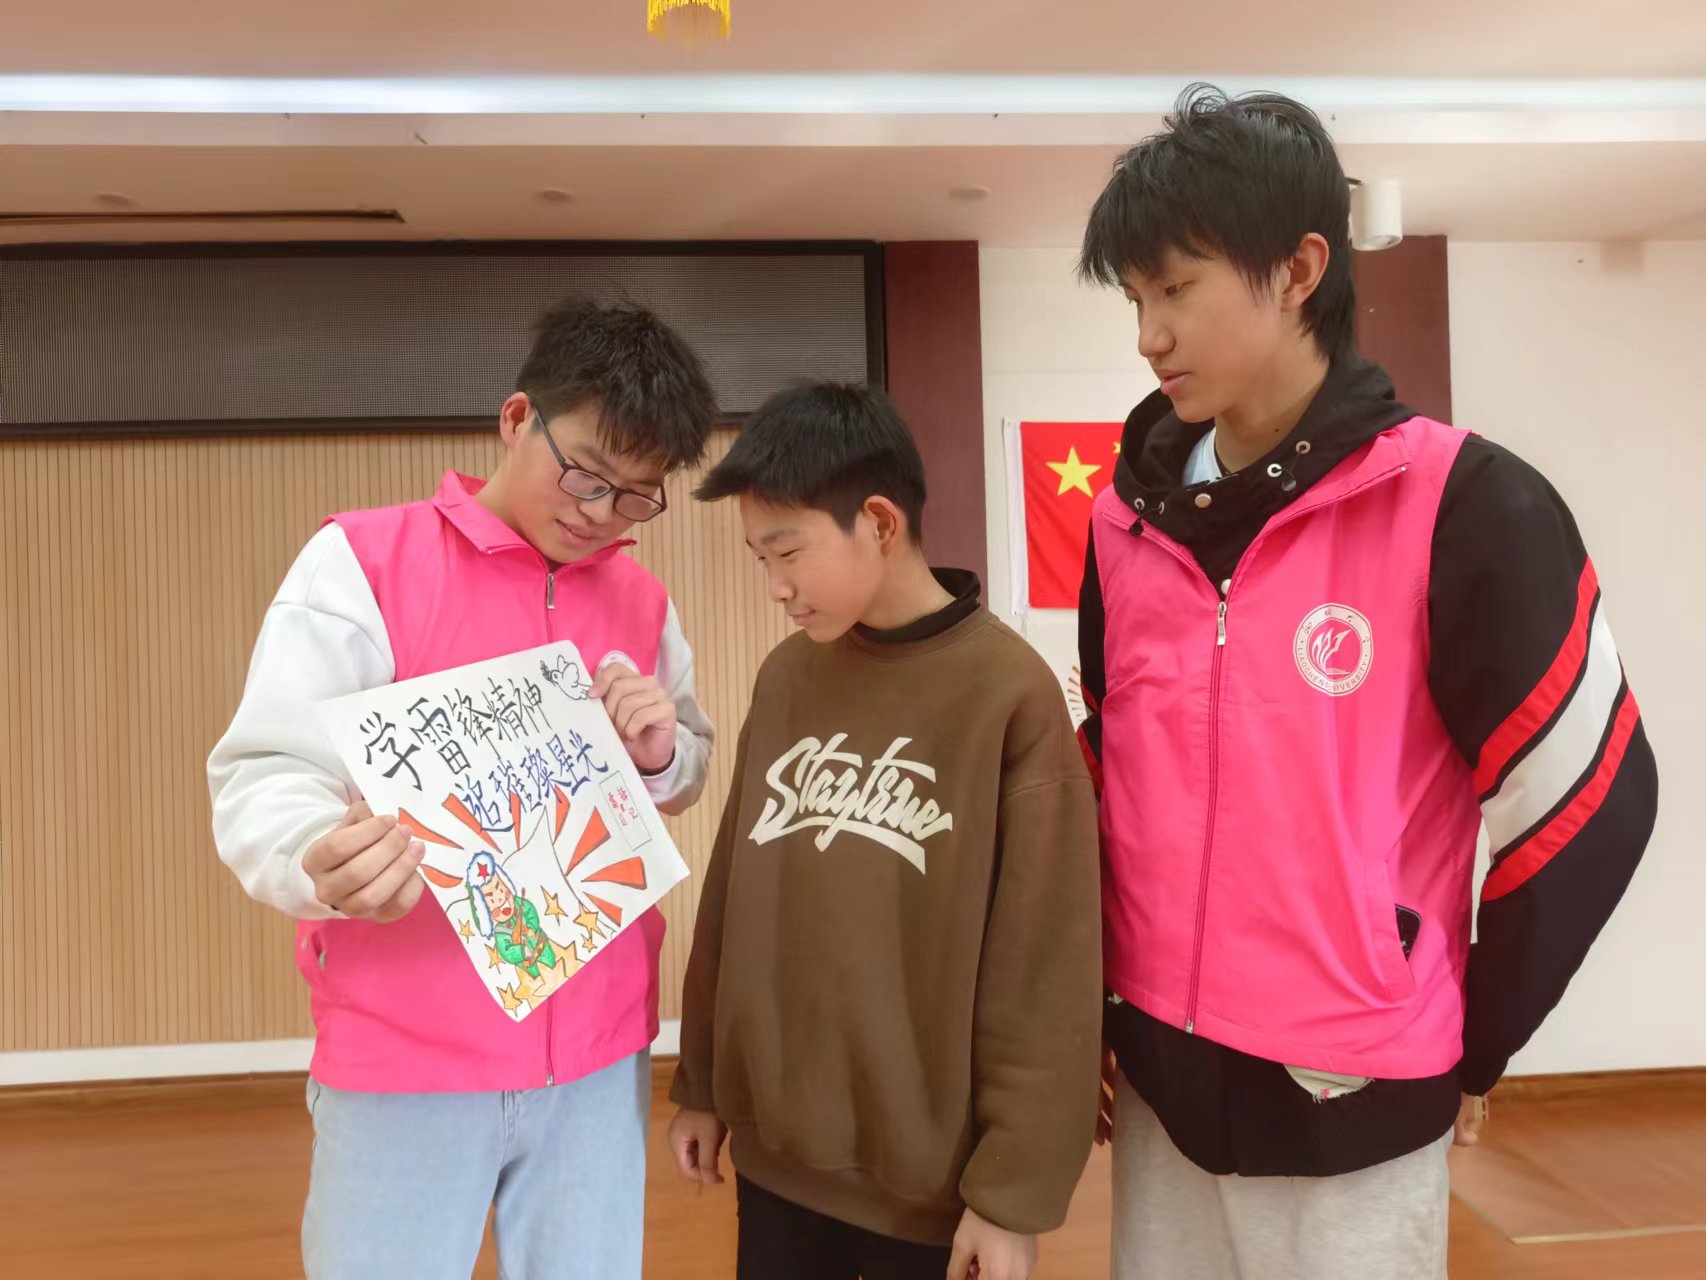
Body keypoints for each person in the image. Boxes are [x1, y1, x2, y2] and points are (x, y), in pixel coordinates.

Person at [1076, 84, 1660, 1280]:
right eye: (1134, 299)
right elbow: (1107, 769)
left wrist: (1471, 1037)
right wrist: (1086, 1003)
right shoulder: (1122, 524)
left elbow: (1589, 798)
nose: (1147, 335)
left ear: (1298, 269)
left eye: (1175, 289)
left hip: (1354, 1087)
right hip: (1156, 1087)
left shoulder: (1464, 503)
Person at [207, 297, 719, 1280]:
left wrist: (660, 755)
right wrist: (316, 856)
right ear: (517, 418)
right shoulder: (364, 562)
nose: (599, 512)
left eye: (634, 496)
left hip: (599, 1054)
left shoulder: (640, 601)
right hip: (406, 1054)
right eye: (584, 473)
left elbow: (683, 766)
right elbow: (267, 771)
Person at [668, 382, 1102, 1280]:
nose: (776, 586)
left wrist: (1011, 1194)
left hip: (931, 1189)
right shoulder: (788, 677)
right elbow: (731, 900)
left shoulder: (1007, 694)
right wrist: (703, 1083)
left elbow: (1045, 967)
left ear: (878, 522)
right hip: (779, 1160)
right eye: (759, 558)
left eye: (788, 551)